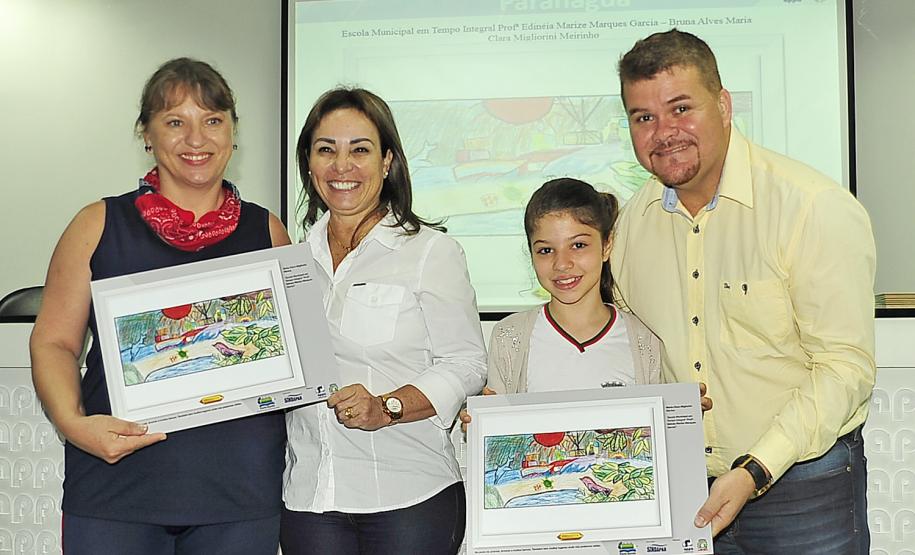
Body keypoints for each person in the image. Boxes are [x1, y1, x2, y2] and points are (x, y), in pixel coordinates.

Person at [611, 29, 876, 554]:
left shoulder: (811, 207)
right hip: (682, 487)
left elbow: (845, 367)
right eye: (644, 118)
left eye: (681, 108)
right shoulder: (631, 227)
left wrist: (755, 469)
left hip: (803, 488)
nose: (664, 132)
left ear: (724, 105)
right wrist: (510, 400)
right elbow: (619, 347)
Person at [29, 58, 291, 554]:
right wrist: (73, 424)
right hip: (116, 487)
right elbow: (54, 342)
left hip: (239, 491)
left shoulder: (268, 232)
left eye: (212, 120)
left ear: (233, 132)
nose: (196, 139)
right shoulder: (97, 224)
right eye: (175, 122)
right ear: (146, 134)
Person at [281, 87, 486, 555]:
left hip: (408, 495)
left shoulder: (431, 252)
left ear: (387, 161)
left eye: (360, 150)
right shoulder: (291, 262)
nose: (342, 166)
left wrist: (386, 407)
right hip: (309, 497)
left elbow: (467, 364)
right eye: (326, 150)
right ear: (309, 164)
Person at [486, 178, 662, 395]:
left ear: (606, 246)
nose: (561, 264)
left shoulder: (644, 340)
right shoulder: (508, 337)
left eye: (578, 245)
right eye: (546, 250)